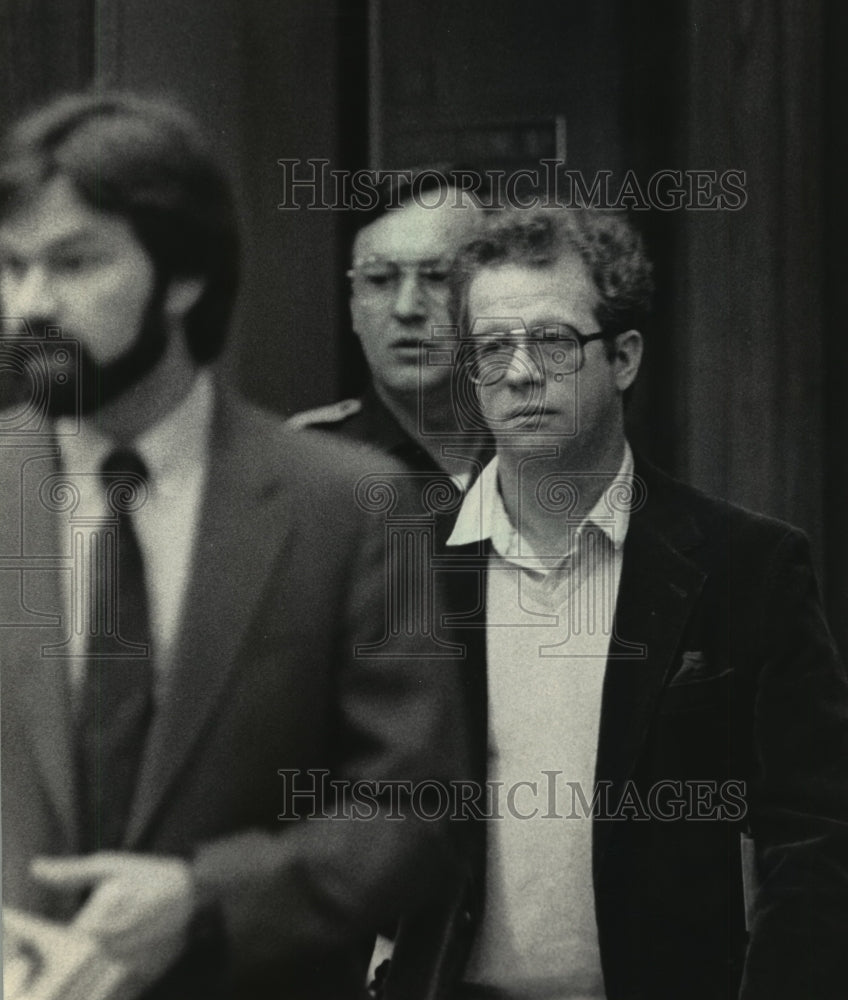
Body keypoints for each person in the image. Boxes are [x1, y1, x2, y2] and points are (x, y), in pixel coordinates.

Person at [0, 91, 470, 1000]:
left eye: (74, 264)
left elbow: (420, 811)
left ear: (185, 279)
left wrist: (205, 897)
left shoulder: (353, 503)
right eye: (12, 265)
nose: (29, 306)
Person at [384, 206, 848, 999]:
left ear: (624, 357)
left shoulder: (747, 567)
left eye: (555, 343)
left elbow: (816, 830)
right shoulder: (402, 566)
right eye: (493, 348)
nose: (522, 372)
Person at [289, 168, 492, 490]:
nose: (406, 308)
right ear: (354, 308)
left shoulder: (551, 447)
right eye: (380, 279)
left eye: (438, 276)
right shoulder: (301, 466)